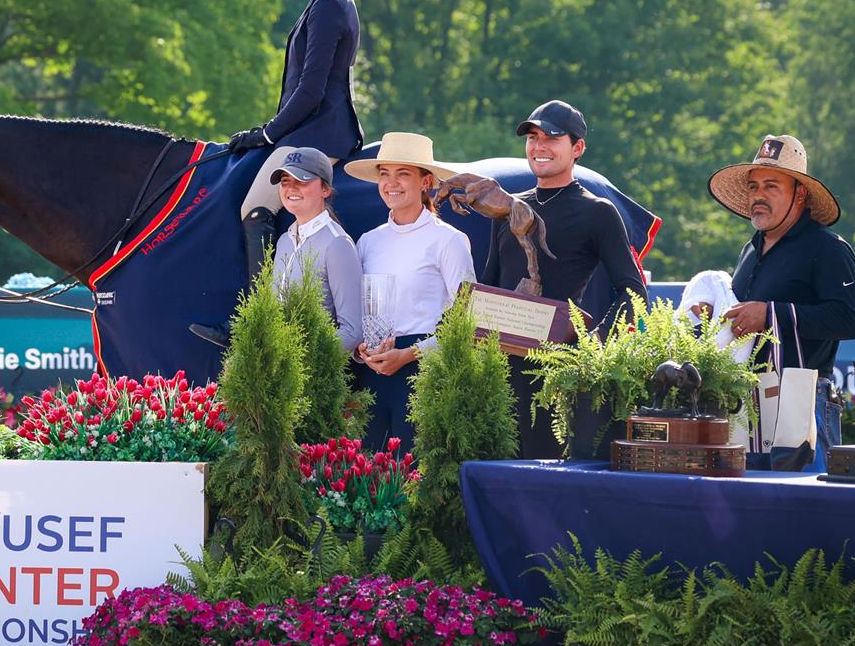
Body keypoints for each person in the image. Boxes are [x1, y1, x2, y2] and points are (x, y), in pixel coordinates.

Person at [194, 0, 363, 348]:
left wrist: (268, 134)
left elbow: (309, 93)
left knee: (255, 211)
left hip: (319, 135)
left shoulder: (330, 6)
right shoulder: (325, 1)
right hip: (305, 131)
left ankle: (257, 324)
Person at [475, 100, 649, 459]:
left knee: (542, 480)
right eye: (533, 137)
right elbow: (489, 285)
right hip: (498, 377)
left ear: (578, 148)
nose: (539, 146)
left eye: (552, 137)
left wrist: (593, 340)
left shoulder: (598, 211)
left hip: (555, 378)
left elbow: (634, 291)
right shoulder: (508, 209)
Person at [708, 134, 855, 472]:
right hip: (746, 404)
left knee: (810, 515)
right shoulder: (749, 250)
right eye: (753, 187)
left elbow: (848, 319)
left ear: (800, 193)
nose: (758, 196)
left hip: (805, 402)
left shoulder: (828, 248)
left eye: (771, 186)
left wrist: (769, 313)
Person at [345, 133, 474, 452]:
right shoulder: (368, 242)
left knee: (412, 475)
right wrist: (361, 350)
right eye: (384, 174)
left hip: (421, 372)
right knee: (366, 475)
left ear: (426, 181)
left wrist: (409, 355)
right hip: (373, 371)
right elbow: (359, 310)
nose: (391, 183)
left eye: (403, 173)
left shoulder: (449, 241)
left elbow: (466, 320)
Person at [267, 147, 363, 353]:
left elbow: (353, 331)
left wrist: (301, 363)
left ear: (325, 190)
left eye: (301, 181)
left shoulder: (337, 244)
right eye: (285, 181)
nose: (291, 188)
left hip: (315, 376)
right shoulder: (284, 241)